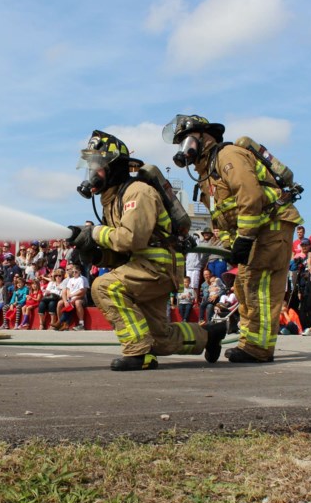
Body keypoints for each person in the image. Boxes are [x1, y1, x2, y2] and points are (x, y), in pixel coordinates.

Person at [68, 129, 223, 370]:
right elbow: (122, 250)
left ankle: (138, 354)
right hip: (143, 267)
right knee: (159, 339)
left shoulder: (137, 193)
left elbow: (131, 239)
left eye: (97, 166)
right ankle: (209, 335)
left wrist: (95, 233)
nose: (92, 174)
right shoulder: (113, 200)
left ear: (113, 167)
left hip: (156, 268)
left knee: (104, 287)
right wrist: (98, 254)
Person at [163, 115, 302, 363]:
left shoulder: (228, 156)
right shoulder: (208, 175)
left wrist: (245, 238)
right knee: (245, 285)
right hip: (256, 230)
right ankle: (250, 343)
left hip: (271, 225)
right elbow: (221, 218)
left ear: (205, 138)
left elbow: (250, 196)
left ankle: (258, 349)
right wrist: (231, 243)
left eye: (187, 141)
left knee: (258, 286)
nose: (185, 149)